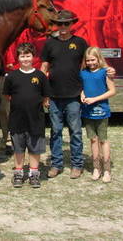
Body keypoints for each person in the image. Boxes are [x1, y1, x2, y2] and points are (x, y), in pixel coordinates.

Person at [41, 10, 88, 179]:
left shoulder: (81, 43)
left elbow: (87, 67)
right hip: (54, 96)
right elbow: (44, 68)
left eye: (66, 24)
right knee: (55, 131)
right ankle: (56, 164)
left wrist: (106, 72)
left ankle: (77, 165)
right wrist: (43, 93)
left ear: (72, 24)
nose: (62, 27)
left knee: (75, 131)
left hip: (74, 95)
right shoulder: (50, 43)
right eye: (59, 24)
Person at [3, 43, 50, 188]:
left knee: (35, 148)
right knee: (18, 148)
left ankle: (34, 173)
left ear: (33, 57)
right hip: (17, 119)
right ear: (18, 58)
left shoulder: (40, 76)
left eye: (28, 56)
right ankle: (18, 172)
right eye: (22, 56)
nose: (25, 59)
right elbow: (7, 95)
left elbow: (45, 96)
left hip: (35, 119)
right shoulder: (12, 76)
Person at [80, 47, 116, 183]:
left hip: (102, 111)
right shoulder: (83, 73)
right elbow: (82, 87)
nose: (90, 63)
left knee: (103, 140)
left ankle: (107, 170)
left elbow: (112, 91)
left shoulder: (105, 72)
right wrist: (82, 94)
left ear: (99, 58)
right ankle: (96, 168)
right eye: (88, 60)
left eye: (93, 60)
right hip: (87, 112)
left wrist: (95, 99)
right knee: (93, 139)